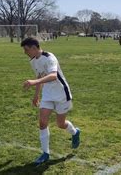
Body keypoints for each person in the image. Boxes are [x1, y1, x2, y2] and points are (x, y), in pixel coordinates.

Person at [21, 37, 80, 165]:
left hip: (61, 94)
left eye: (26, 50)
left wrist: (34, 82)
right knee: (42, 122)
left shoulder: (49, 57)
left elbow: (53, 76)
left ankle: (75, 132)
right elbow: (39, 76)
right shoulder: (33, 61)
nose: (25, 52)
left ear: (34, 47)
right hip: (47, 94)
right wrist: (36, 95)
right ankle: (45, 153)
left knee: (60, 124)